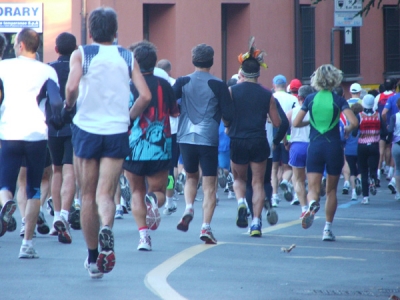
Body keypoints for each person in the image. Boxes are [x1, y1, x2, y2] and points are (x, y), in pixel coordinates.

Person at [65, 7, 151, 278]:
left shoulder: (82, 53)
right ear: (115, 32)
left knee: (87, 195)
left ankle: (92, 258)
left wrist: (70, 105)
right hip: (116, 130)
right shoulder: (127, 56)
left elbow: (71, 87)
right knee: (106, 193)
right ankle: (106, 231)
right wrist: (128, 117)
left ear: (90, 31)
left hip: (87, 129)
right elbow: (145, 96)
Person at [0, 28, 63, 258]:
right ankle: (27, 243)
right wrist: (55, 121)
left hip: (9, 132)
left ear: (20, 45)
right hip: (37, 134)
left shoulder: (4, 67)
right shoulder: (48, 70)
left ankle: (7, 204)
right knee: (34, 189)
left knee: (5, 184)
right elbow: (56, 101)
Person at [173, 43, 233, 244]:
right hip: (208, 138)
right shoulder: (219, 84)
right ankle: (206, 226)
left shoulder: (182, 81)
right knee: (210, 184)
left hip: (185, 137)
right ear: (212, 61)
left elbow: (171, 104)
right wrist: (226, 124)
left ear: (193, 60)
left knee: (191, 176)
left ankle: (189, 207)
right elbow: (228, 113)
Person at [293, 64, 358, 241]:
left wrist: (311, 123)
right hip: (333, 146)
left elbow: (296, 122)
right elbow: (354, 122)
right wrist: (347, 129)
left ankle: (312, 203)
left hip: (314, 146)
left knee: (312, 188)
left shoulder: (310, 99)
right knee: (331, 191)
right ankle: (327, 229)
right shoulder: (338, 100)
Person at [124, 41, 178, 251]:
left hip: (132, 147)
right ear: (154, 63)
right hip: (162, 147)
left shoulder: (128, 85)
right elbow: (174, 112)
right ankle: (153, 200)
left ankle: (144, 237)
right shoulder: (164, 85)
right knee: (159, 191)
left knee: (136, 191)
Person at [228, 42, 281, 237]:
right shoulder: (268, 94)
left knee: (239, 178)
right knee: (257, 182)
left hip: (238, 139)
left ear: (242, 71)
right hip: (258, 140)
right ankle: (256, 223)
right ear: (259, 73)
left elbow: (226, 116)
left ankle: (241, 203)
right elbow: (276, 122)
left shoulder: (232, 91)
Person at [47, 32, 79, 243]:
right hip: (74, 124)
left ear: (56, 49)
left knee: (56, 170)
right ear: (76, 48)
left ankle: (57, 216)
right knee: (70, 171)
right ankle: (66, 215)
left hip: (52, 126)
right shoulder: (79, 69)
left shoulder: (49, 69)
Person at [286, 85, 314, 218]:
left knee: (298, 180)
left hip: (297, 145)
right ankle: (313, 200)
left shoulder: (293, 112)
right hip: (313, 145)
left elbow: (282, 127)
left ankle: (304, 209)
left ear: (299, 98)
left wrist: (286, 141)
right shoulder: (316, 111)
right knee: (314, 177)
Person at [271, 74, 297, 206]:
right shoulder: (292, 98)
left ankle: (274, 196)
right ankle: (286, 182)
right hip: (288, 135)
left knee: (274, 168)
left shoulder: (271, 97)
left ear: (274, 86)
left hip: (273, 135)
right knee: (289, 167)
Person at [356, 94, 382, 205]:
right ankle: (373, 178)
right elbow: (384, 130)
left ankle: (365, 197)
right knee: (373, 167)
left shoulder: (360, 115)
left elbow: (353, 132)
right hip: (374, 145)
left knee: (363, 171)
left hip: (362, 145)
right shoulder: (378, 115)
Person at [387, 97, 400, 201]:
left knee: (398, 169)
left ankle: (398, 193)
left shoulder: (394, 117)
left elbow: (390, 130)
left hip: (397, 144)